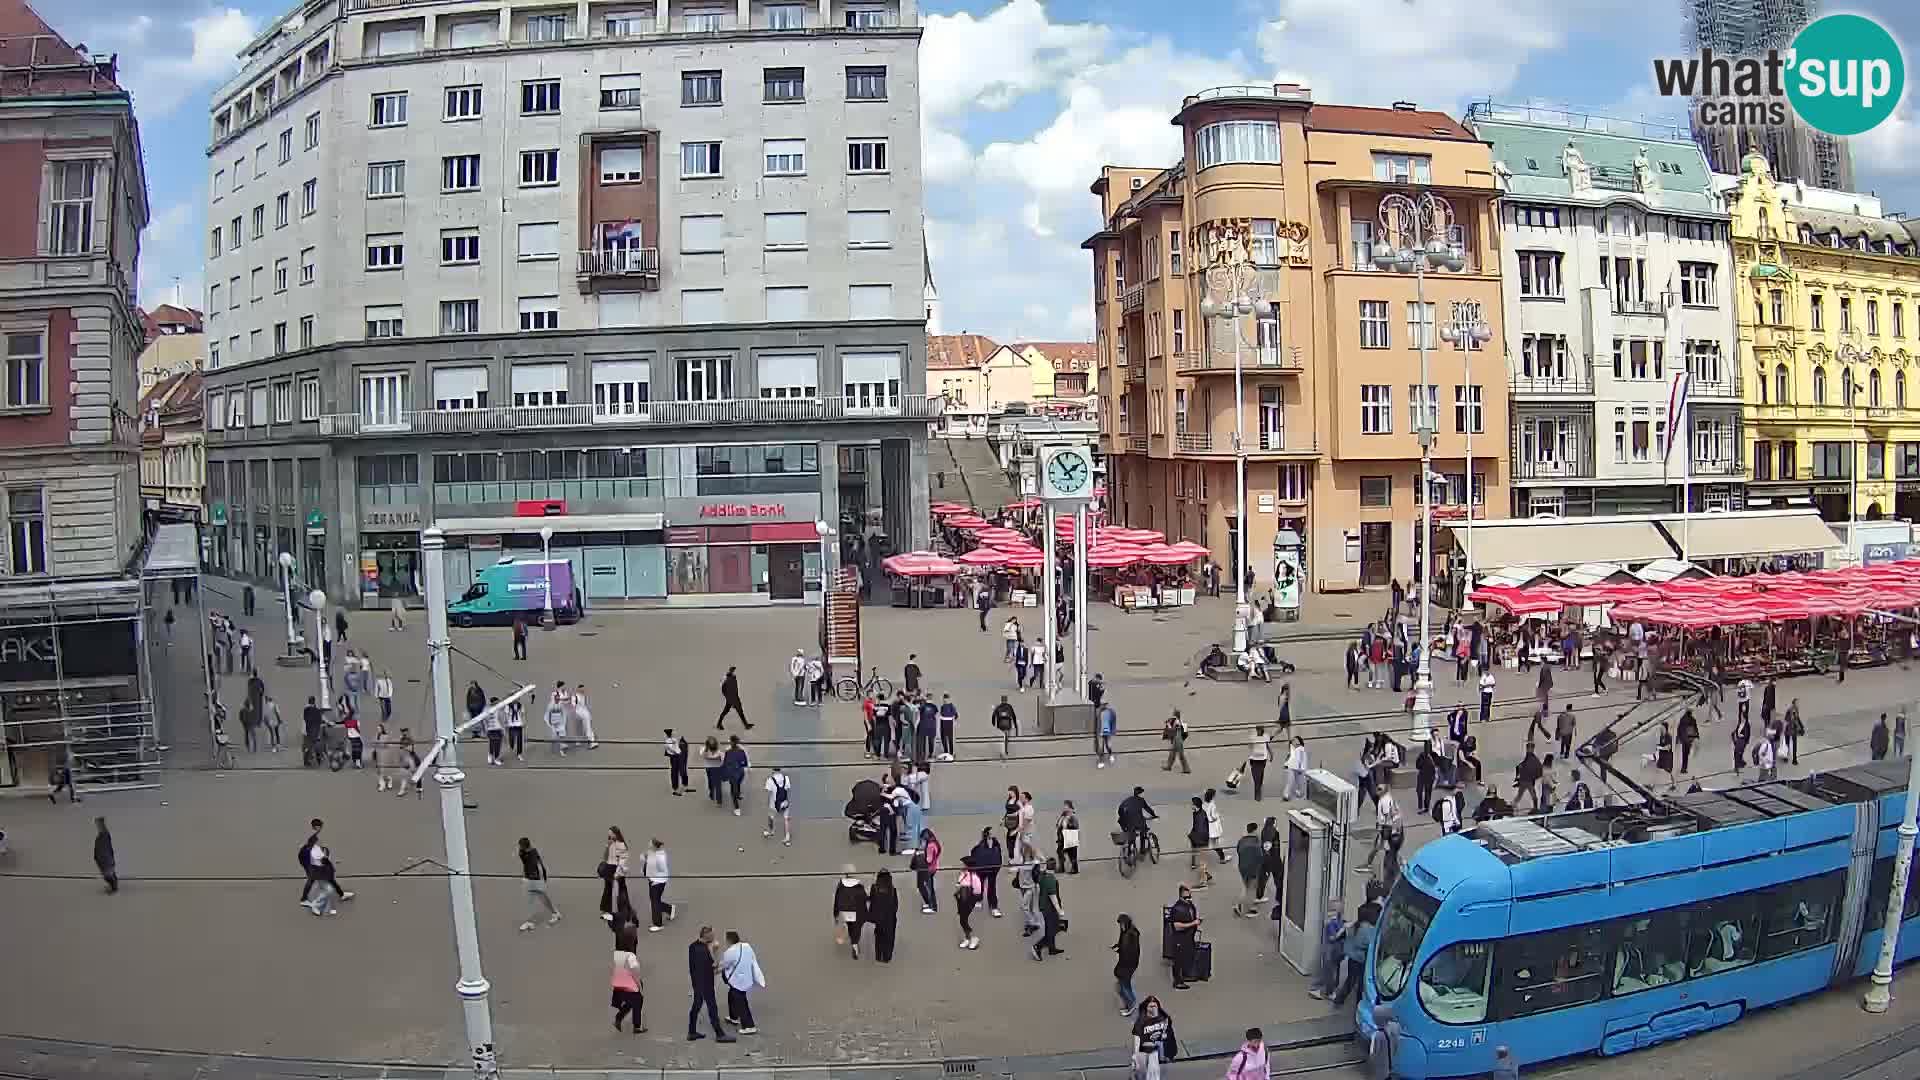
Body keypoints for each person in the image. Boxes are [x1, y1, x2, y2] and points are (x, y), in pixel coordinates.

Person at [685, 926, 734, 1043]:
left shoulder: (693, 946)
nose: (714, 938)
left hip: (696, 982)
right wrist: (715, 951)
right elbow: (714, 966)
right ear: (706, 936)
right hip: (705, 984)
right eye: (712, 936)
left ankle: (691, 1032)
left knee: (696, 1007)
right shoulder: (704, 951)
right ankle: (719, 1034)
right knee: (712, 1008)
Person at [1329, 904, 1377, 1008]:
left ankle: (1339, 1000)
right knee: (1360, 984)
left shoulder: (1354, 925)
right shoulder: (1367, 928)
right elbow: (1367, 943)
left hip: (1352, 958)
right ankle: (1358, 1004)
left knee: (1350, 981)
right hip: (1361, 959)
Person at [719, 930, 765, 1034]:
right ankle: (733, 1017)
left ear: (729, 941)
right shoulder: (747, 946)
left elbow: (724, 964)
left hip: (737, 981)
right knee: (732, 996)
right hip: (746, 979)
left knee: (741, 1002)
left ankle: (749, 1026)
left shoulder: (730, 952)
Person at [1130, 997, 1178, 1080]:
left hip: (1155, 1052)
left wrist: (1171, 1051)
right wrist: (1136, 1056)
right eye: (1151, 1006)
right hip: (1144, 1051)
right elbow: (1137, 1040)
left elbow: (1170, 1035)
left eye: (1155, 1006)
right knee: (1141, 1073)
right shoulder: (1141, 1022)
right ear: (1146, 1008)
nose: (1153, 1008)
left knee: (1154, 1073)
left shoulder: (1164, 1019)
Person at [1167, 883, 1202, 990]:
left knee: (1187, 956)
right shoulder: (1177, 909)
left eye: (1190, 896)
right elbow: (1177, 926)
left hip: (1188, 938)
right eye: (1186, 897)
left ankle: (1186, 975)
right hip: (1180, 939)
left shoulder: (1189, 906)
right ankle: (1177, 981)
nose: (1189, 899)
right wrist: (1193, 924)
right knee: (1178, 960)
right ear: (1180, 896)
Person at [1031, 857, 1066, 960]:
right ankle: (1037, 946)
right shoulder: (1051, 879)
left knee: (1049, 928)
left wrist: (1037, 864)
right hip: (1049, 908)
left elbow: (1035, 874)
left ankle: (1052, 948)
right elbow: (1053, 897)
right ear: (1055, 867)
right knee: (1052, 929)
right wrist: (1060, 911)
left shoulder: (1042, 874)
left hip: (1043, 906)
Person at [599, 826, 632, 923]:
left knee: (622, 890)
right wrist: (607, 847)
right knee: (607, 889)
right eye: (608, 833)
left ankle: (626, 911)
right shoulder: (610, 843)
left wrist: (618, 873)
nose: (609, 835)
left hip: (617, 869)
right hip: (609, 868)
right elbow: (604, 858)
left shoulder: (621, 845)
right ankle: (606, 911)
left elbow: (623, 861)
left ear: (615, 834)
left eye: (611, 833)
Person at [1111, 913, 1142, 1015]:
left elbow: (1128, 951)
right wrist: (1118, 946)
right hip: (1127, 964)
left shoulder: (1130, 935)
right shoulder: (1129, 932)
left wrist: (1120, 950)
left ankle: (1132, 1004)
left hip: (1127, 964)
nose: (1121, 926)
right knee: (1123, 985)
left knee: (1124, 985)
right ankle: (1129, 1004)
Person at [866, 869, 899, 963]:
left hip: (878, 918)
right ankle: (886, 957)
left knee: (879, 937)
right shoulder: (892, 889)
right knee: (889, 938)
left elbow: (872, 901)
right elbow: (895, 905)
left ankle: (878, 955)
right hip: (889, 918)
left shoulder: (874, 887)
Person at [644, 838, 676, 932]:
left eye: (650, 843)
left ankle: (658, 924)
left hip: (657, 882)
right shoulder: (655, 853)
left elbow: (661, 869)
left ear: (654, 846)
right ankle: (669, 909)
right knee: (655, 900)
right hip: (654, 880)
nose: (648, 844)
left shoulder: (659, 856)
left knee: (655, 902)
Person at [1234, 822, 1264, 917]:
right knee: (1251, 888)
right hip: (1253, 869)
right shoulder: (1257, 842)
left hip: (1242, 867)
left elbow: (1238, 850)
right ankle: (1250, 908)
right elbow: (1260, 856)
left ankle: (1240, 904)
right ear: (1255, 830)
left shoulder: (1242, 840)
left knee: (1246, 886)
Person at [956, 856, 985, 950]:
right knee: (962, 919)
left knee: (963, 919)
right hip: (961, 900)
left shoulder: (974, 877)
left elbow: (978, 891)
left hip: (969, 901)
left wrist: (973, 900)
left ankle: (972, 938)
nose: (962, 865)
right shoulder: (963, 874)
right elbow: (959, 883)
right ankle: (968, 938)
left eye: (963, 864)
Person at [763, 765, 793, 845]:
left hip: (774, 803)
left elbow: (768, 792)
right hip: (784, 801)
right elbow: (787, 789)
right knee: (786, 818)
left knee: (771, 816)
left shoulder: (770, 780)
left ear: (773, 770)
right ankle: (787, 835)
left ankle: (771, 831)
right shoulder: (786, 778)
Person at [916, 828, 942, 913]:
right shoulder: (935, 843)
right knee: (929, 887)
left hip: (928, 869)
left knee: (927, 887)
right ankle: (930, 904)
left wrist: (920, 855)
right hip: (934, 867)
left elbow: (928, 860)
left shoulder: (930, 846)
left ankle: (932, 906)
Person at [723, 735, 750, 815]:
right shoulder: (741, 751)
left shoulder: (728, 752)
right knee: (738, 784)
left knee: (733, 791)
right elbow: (745, 763)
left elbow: (725, 764)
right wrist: (739, 765)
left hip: (732, 774)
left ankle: (737, 808)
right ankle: (738, 794)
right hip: (740, 773)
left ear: (731, 742)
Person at [93, 816, 117, 894]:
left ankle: (113, 888)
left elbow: (102, 853)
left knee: (108, 876)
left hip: (105, 861)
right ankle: (113, 884)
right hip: (107, 860)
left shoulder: (103, 837)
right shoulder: (104, 836)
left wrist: (97, 858)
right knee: (110, 874)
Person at [1057, 801, 1082, 874]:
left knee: (1072, 854)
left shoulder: (1073, 816)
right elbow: (1059, 824)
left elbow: (1075, 826)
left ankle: (1075, 868)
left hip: (1071, 836)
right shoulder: (1063, 816)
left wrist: (1068, 823)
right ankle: (1061, 867)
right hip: (1062, 837)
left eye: (1066, 806)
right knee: (1060, 851)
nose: (1064, 808)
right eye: (1064, 806)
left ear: (1070, 807)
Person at [1094, 700, 1119, 768]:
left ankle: (1110, 754)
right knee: (1100, 747)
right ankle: (1101, 761)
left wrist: (1113, 731)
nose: (1103, 705)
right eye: (1102, 704)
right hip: (1100, 732)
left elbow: (1113, 722)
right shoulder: (1098, 712)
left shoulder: (1111, 712)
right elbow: (1097, 723)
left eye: (1104, 704)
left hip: (1107, 731)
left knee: (1108, 745)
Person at [992, 695, 1018, 759]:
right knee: (1006, 738)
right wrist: (1015, 725)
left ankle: (1003, 751)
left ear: (1001, 700)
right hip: (1008, 724)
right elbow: (1014, 716)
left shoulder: (998, 707)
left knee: (1002, 738)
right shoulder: (1009, 706)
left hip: (1000, 725)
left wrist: (994, 723)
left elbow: (993, 716)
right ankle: (1006, 750)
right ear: (1006, 700)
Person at [1678, 708, 1700, 775]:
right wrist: (1697, 736)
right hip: (1689, 739)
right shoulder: (1692, 720)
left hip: (1683, 739)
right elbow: (1695, 729)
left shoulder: (1682, 719)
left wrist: (1679, 738)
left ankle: (1683, 768)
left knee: (1684, 754)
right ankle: (1684, 768)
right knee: (1686, 753)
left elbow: (1678, 729)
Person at [1656, 720, 1676, 788]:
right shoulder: (1662, 735)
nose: (1660, 729)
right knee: (1658, 769)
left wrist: (1659, 748)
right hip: (1662, 756)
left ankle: (1674, 784)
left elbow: (1668, 747)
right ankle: (1653, 784)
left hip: (1668, 757)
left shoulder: (1668, 736)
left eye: (1662, 728)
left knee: (1670, 771)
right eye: (1660, 728)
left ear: (1665, 728)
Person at [1785, 698, 1803, 765]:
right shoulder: (1793, 709)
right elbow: (1794, 719)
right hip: (1791, 728)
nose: (1798, 704)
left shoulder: (1794, 708)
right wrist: (1799, 727)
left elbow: (1797, 718)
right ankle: (1794, 759)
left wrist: (1801, 726)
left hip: (1789, 728)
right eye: (1797, 702)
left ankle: (1787, 757)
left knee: (1788, 743)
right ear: (1794, 703)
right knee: (1792, 744)